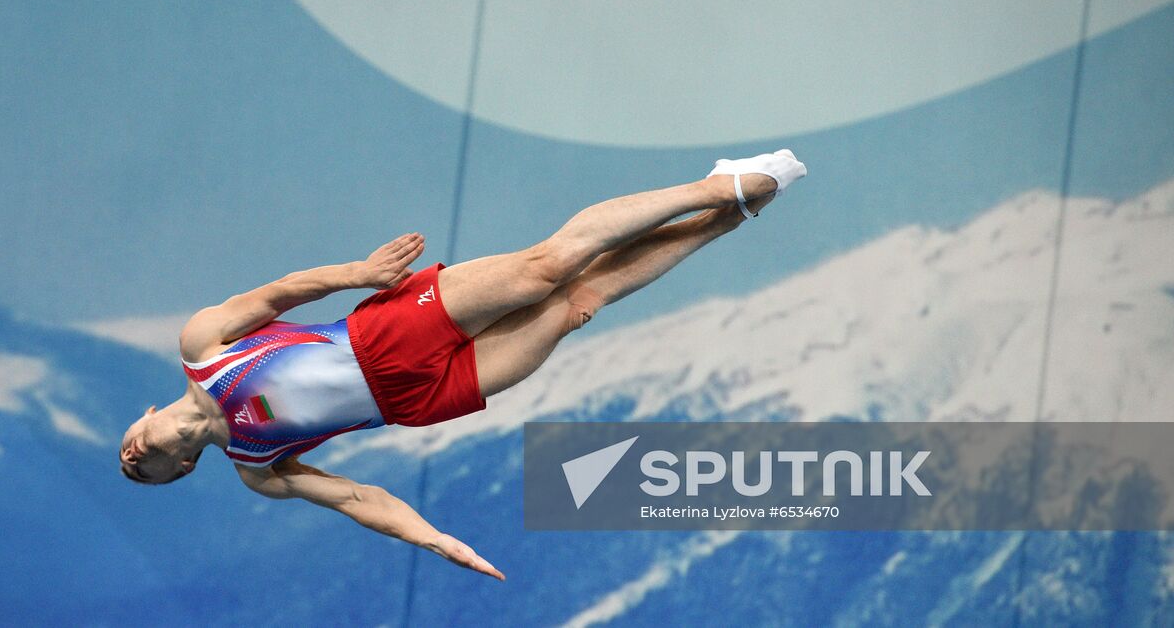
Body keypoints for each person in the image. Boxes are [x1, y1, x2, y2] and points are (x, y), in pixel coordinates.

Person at [119, 151, 807, 579]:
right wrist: (435, 539)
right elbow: (358, 500)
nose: (131, 460)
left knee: (546, 269)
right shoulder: (257, 468)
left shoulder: (203, 346)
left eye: (125, 452)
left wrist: (359, 273)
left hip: (381, 334)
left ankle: (711, 189)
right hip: (417, 401)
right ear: (182, 469)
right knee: (576, 305)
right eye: (140, 474)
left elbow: (279, 294)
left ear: (145, 416)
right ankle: (723, 220)